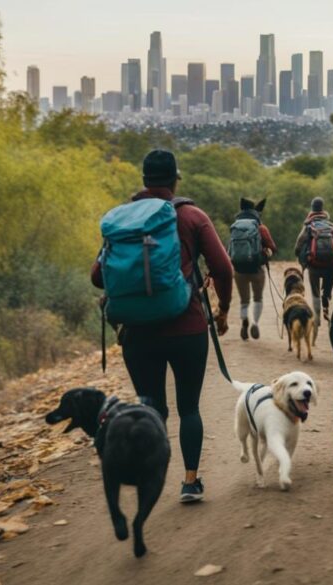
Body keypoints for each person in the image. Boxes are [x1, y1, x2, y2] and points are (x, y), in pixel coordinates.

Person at [92, 150, 233, 503]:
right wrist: (223, 310)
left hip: (138, 335)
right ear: (174, 180)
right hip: (187, 327)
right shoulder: (192, 216)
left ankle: (151, 477)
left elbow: (97, 276)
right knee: (189, 408)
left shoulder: (122, 220)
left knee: (152, 408)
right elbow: (223, 268)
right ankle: (190, 481)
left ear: (144, 180)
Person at [229, 198, 277, 341]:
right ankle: (255, 322)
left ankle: (244, 319)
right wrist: (266, 254)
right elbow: (273, 248)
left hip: (239, 271)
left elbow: (229, 250)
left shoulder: (235, 227)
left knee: (244, 300)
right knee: (258, 298)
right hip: (257, 269)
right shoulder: (261, 228)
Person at [294, 197, 333, 324]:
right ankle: (326, 299)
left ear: (312, 208)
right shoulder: (331, 226)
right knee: (327, 288)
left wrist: (298, 255)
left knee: (315, 291)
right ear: (322, 209)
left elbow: (299, 243)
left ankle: (317, 317)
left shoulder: (308, 226)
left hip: (314, 264)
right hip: (330, 265)